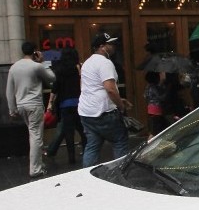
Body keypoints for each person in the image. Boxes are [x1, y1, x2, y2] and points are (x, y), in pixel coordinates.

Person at [78, 32, 132, 168]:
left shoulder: (87, 63)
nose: (113, 47)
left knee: (92, 146)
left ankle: (86, 174)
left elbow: (89, 87)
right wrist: (120, 106)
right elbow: (110, 89)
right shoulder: (105, 63)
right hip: (103, 112)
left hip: (87, 112)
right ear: (102, 46)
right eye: (110, 44)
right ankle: (121, 171)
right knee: (120, 141)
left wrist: (119, 99)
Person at [6, 41, 56, 178]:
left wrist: (12, 109)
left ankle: (38, 163)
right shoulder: (36, 66)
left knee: (33, 134)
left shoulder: (14, 67)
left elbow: (9, 90)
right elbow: (52, 78)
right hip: (34, 104)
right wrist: (43, 63)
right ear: (35, 51)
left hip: (21, 105)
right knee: (36, 136)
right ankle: (35, 168)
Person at [45, 47, 86, 164]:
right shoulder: (78, 68)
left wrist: (50, 104)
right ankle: (85, 152)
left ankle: (71, 158)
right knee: (83, 131)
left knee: (68, 133)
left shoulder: (60, 70)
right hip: (79, 103)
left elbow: (55, 88)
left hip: (65, 104)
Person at [144, 70, 167, 139]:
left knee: (154, 129)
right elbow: (161, 97)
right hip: (156, 111)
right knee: (155, 131)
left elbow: (145, 96)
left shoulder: (148, 87)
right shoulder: (154, 87)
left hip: (151, 110)